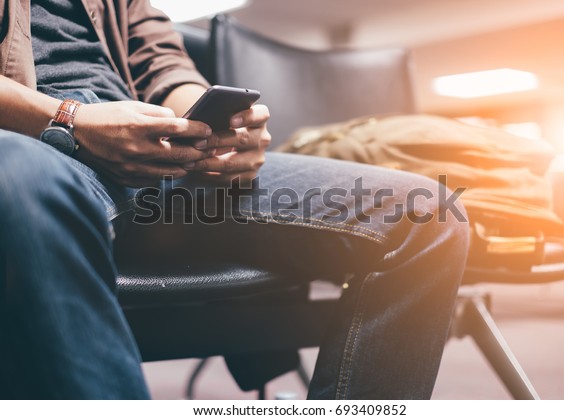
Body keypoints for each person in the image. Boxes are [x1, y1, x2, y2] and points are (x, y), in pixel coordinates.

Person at [0, 0, 469, 399]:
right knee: (17, 178)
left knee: (425, 212)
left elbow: (162, 62)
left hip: (150, 138)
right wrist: (70, 119)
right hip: (34, 138)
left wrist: (209, 126)